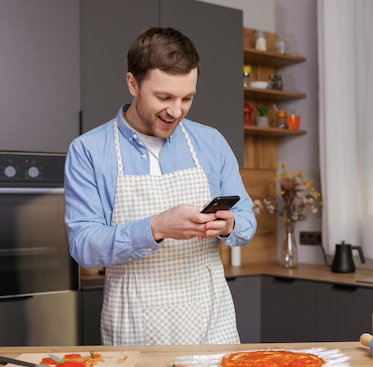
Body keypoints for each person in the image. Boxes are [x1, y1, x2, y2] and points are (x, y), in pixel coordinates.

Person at [64, 26, 256, 345]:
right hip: (135, 327)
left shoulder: (211, 142)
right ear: (132, 83)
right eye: (164, 97)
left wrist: (228, 224)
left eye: (187, 98)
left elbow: (247, 222)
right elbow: (83, 246)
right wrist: (156, 227)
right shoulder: (88, 150)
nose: (176, 111)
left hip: (211, 324)